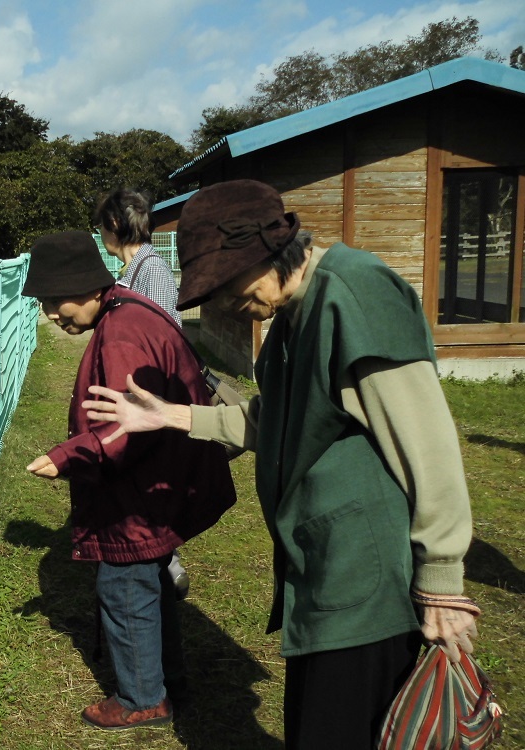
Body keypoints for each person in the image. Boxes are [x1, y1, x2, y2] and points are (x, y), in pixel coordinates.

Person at [80, 180, 479, 749]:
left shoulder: (355, 293)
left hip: (366, 578)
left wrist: (441, 578)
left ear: (268, 249)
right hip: (321, 569)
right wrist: (172, 417)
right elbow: (276, 419)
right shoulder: (292, 311)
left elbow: (427, 441)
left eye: (224, 283)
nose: (221, 301)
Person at [22, 230, 236, 731]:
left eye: (56, 300)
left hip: (140, 494)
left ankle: (142, 698)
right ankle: (167, 681)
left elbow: (122, 426)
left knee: (123, 586)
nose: (51, 313)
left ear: (87, 287)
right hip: (164, 479)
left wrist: (67, 457)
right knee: (152, 583)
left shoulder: (119, 333)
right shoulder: (129, 309)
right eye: (44, 302)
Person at [94, 187, 189, 597]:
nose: (101, 235)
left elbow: (160, 338)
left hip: (152, 398)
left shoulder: (152, 271)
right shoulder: (135, 270)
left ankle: (165, 563)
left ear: (114, 225)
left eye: (102, 227)